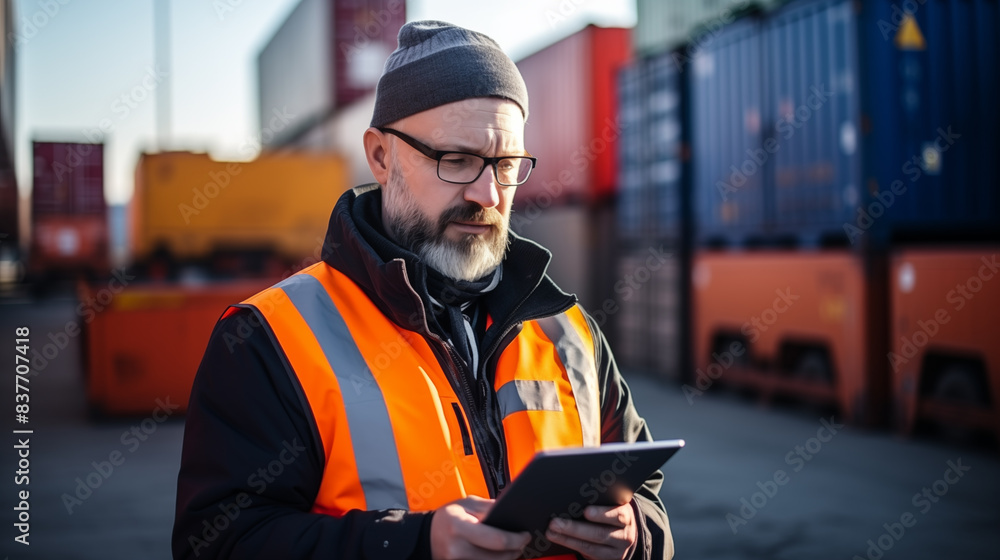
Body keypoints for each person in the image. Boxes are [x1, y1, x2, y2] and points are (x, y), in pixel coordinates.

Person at [172, 20, 673, 560]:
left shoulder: (567, 331)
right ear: (381, 157)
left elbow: (644, 494)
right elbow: (219, 543)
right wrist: (413, 544)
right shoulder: (269, 338)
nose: (487, 195)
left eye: (506, 165)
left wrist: (636, 535)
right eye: (456, 160)